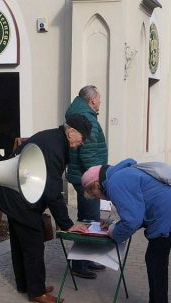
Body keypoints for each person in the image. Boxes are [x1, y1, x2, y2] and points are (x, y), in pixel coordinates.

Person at [0, 114, 92, 303]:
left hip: (14, 192)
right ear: (71, 132)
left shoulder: (54, 139)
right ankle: (36, 291)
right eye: (82, 138)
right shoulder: (55, 148)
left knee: (21, 242)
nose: (81, 143)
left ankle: (25, 285)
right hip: (17, 196)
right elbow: (53, 192)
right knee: (34, 243)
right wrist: (67, 225)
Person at [81, 159, 171, 303]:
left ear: (96, 184)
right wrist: (115, 224)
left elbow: (133, 220)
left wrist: (113, 233)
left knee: (156, 262)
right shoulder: (119, 174)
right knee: (155, 260)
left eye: (96, 195)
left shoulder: (115, 183)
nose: (100, 198)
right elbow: (136, 209)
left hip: (168, 211)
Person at [65, 85, 108, 279]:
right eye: (99, 98)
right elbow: (88, 153)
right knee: (89, 221)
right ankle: (79, 264)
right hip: (88, 179)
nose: (100, 102)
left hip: (83, 176)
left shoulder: (81, 113)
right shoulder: (88, 117)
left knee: (89, 219)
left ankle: (85, 259)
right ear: (92, 100)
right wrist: (96, 180)